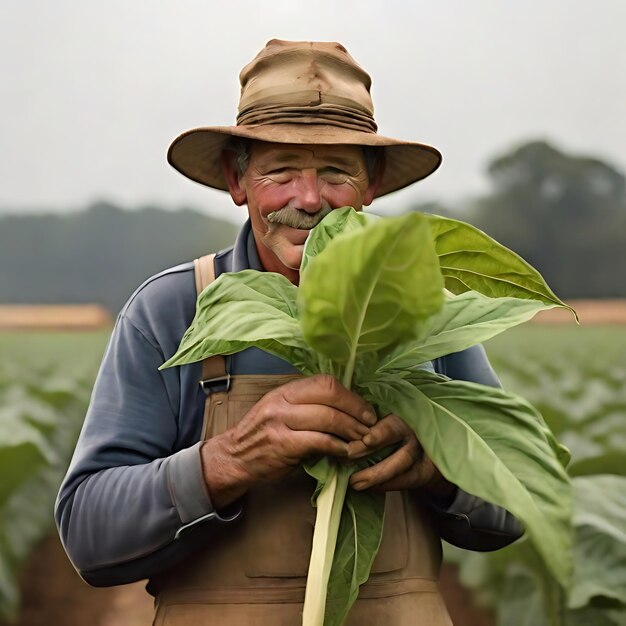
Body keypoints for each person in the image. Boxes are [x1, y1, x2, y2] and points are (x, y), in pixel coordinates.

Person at [55, 39, 522, 625]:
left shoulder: (428, 309)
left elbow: (516, 498)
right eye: (280, 171)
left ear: (371, 184)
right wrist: (230, 460)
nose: (308, 199)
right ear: (237, 179)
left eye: (335, 173)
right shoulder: (172, 310)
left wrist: (442, 466)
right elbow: (88, 533)